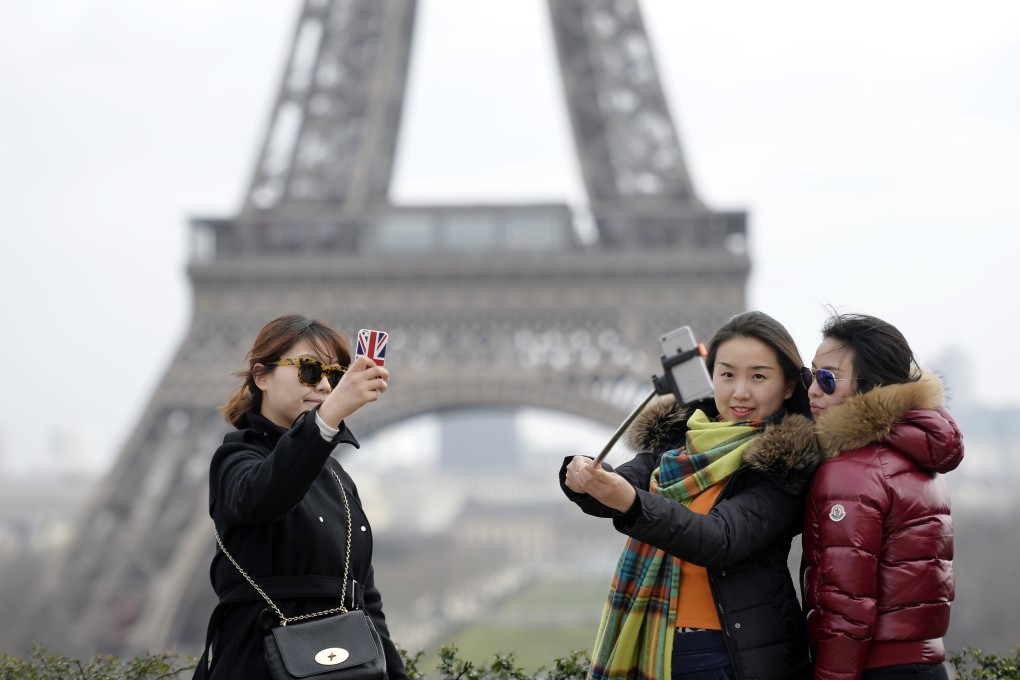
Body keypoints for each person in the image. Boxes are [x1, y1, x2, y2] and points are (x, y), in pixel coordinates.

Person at [561, 311, 822, 680]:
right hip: (658, 642)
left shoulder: (787, 462)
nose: (740, 391)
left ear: (789, 386)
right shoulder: (679, 444)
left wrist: (631, 503)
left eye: (759, 376)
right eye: (727, 374)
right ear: (709, 377)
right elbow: (624, 482)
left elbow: (718, 538)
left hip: (725, 654)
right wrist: (581, 478)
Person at [194, 314, 407, 680]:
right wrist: (328, 418)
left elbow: (366, 600)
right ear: (261, 376)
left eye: (336, 375)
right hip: (258, 664)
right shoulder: (235, 460)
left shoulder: (339, 480)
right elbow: (266, 496)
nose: (325, 385)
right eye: (309, 370)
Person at [800, 313, 964, 680]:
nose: (811, 390)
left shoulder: (850, 470)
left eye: (827, 379)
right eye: (809, 376)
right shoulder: (920, 459)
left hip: (874, 668)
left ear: (869, 387)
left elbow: (847, 606)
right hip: (926, 663)